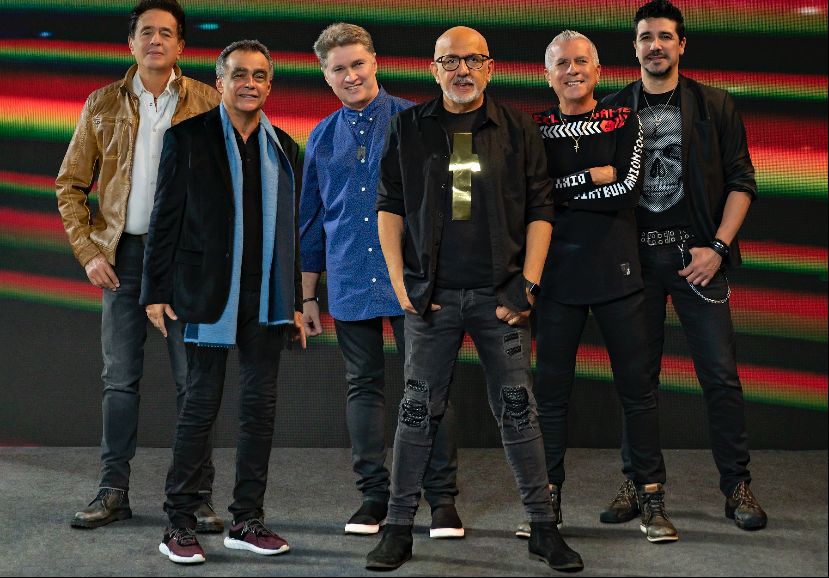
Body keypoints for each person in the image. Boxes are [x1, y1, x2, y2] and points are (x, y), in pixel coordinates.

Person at [366, 26, 583, 572]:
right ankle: (398, 529)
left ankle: (543, 528)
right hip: (430, 298)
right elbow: (389, 205)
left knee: (519, 409)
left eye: (473, 60)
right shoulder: (408, 127)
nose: (461, 70)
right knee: (417, 411)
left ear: (490, 68)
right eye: (450, 61)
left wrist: (527, 285)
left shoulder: (516, 128)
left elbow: (540, 208)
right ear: (433, 69)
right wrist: (400, 284)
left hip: (500, 298)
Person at [55, 0, 222, 532]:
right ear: (130, 43)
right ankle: (113, 491)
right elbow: (69, 185)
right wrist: (89, 252)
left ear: (180, 46)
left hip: (185, 260)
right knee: (120, 379)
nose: (155, 40)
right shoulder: (102, 103)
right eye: (146, 32)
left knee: (192, 380)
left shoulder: (208, 101)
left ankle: (195, 495)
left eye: (166, 33)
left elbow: (228, 187)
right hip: (122, 257)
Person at [601, 0, 767, 532]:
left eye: (665, 36)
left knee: (720, 376)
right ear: (634, 47)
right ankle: (638, 482)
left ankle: (737, 486)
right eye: (646, 37)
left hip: (699, 259)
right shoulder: (613, 109)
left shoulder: (714, 103)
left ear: (681, 44)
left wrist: (716, 247)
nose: (655, 45)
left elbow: (742, 182)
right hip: (636, 263)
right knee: (637, 381)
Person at [141, 39, 305, 564]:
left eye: (259, 75)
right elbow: (165, 219)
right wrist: (154, 292)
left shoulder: (285, 148)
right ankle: (179, 523)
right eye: (238, 74)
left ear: (269, 85)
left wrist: (297, 299)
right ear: (220, 82)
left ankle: (247, 520)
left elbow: (293, 233)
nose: (249, 83)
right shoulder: (188, 138)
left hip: (267, 300)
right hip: (208, 296)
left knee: (259, 410)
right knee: (199, 407)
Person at [300, 23, 462, 538]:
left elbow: (456, 201)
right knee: (362, 386)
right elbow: (311, 222)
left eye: (357, 64)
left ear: (375, 63)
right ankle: (374, 496)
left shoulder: (419, 121)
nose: (350, 75)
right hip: (349, 277)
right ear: (326, 77)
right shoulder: (320, 137)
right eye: (339, 69)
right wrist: (308, 294)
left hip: (414, 279)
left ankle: (441, 500)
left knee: (428, 387)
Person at [515, 30, 675, 544]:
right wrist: (589, 177)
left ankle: (651, 497)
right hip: (556, 280)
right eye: (562, 63)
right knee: (550, 396)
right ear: (548, 75)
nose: (573, 70)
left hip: (618, 276)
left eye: (581, 61)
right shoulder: (534, 128)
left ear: (598, 70)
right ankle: (546, 503)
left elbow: (627, 190)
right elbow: (531, 197)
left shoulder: (625, 119)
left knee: (638, 392)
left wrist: (564, 192)